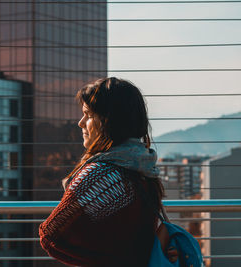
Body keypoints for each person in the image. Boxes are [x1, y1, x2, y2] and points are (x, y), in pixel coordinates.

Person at [39, 77, 165, 266]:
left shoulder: (100, 176)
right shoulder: (145, 169)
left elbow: (49, 236)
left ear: (109, 121)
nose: (81, 123)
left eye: (88, 115)